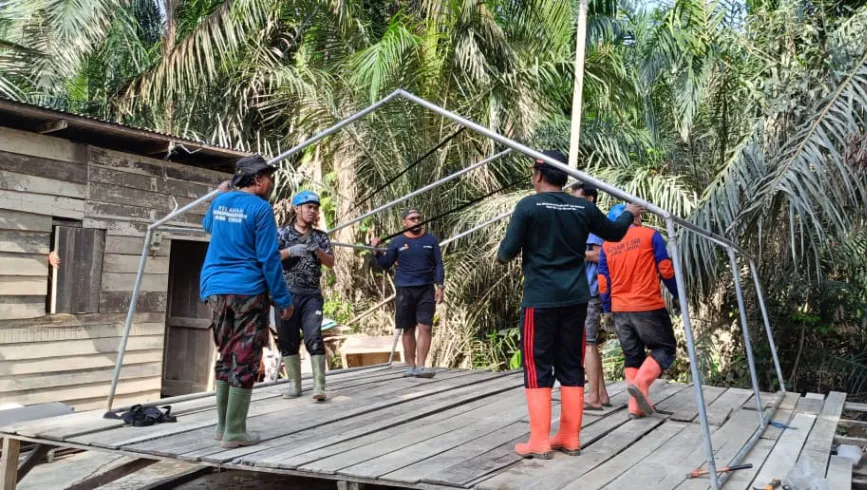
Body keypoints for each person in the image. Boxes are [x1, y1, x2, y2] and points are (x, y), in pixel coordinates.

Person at [497, 150, 644, 460]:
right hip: (576, 299)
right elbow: (615, 233)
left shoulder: (528, 206)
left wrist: (512, 248)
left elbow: (506, 253)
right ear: (563, 177)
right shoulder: (581, 207)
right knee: (570, 365)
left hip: (541, 299)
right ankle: (570, 437)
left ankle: (539, 439)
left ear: (538, 175)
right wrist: (629, 211)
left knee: (538, 366)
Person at [200, 154, 294, 449]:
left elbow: (207, 226)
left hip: (214, 289)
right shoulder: (261, 209)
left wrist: (222, 194)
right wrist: (282, 298)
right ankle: (235, 432)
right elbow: (268, 258)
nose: (270, 183)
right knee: (244, 357)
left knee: (226, 354)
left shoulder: (220, 202)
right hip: (247, 290)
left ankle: (222, 427)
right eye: (268, 177)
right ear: (256, 180)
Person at [598, 203, 678, 418]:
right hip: (647, 306)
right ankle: (640, 384)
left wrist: (607, 310)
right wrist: (678, 294)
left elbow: (603, 281)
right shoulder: (650, 235)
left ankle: (635, 407)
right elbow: (665, 269)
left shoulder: (607, 245)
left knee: (633, 355)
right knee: (665, 349)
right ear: (633, 218)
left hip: (620, 309)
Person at [370, 208, 445, 379]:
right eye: (412, 219)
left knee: (425, 326)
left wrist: (440, 286)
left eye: (418, 218)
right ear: (405, 222)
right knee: (408, 328)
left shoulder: (430, 240)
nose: (416, 221)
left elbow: (439, 264)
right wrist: (375, 251)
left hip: (426, 288)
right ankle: (410, 366)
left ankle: (420, 366)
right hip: (405, 289)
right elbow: (386, 264)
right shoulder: (397, 242)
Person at [276, 190, 334, 402]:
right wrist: (290, 251)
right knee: (287, 339)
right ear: (297, 208)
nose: (313, 211)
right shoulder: (282, 234)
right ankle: (294, 386)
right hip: (286, 294)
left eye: (315, 207)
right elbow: (269, 257)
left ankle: (319, 386)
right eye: (308, 207)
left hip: (311, 295)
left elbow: (330, 263)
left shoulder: (320, 236)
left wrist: (317, 250)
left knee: (314, 337)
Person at [568, 181, 611, 411]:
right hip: (585, 292)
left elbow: (598, 255)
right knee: (589, 344)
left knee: (588, 344)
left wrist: (571, 251)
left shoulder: (592, 223)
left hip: (590, 292)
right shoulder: (585, 222)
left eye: (577, 198)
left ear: (590, 199)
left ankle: (592, 396)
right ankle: (601, 393)